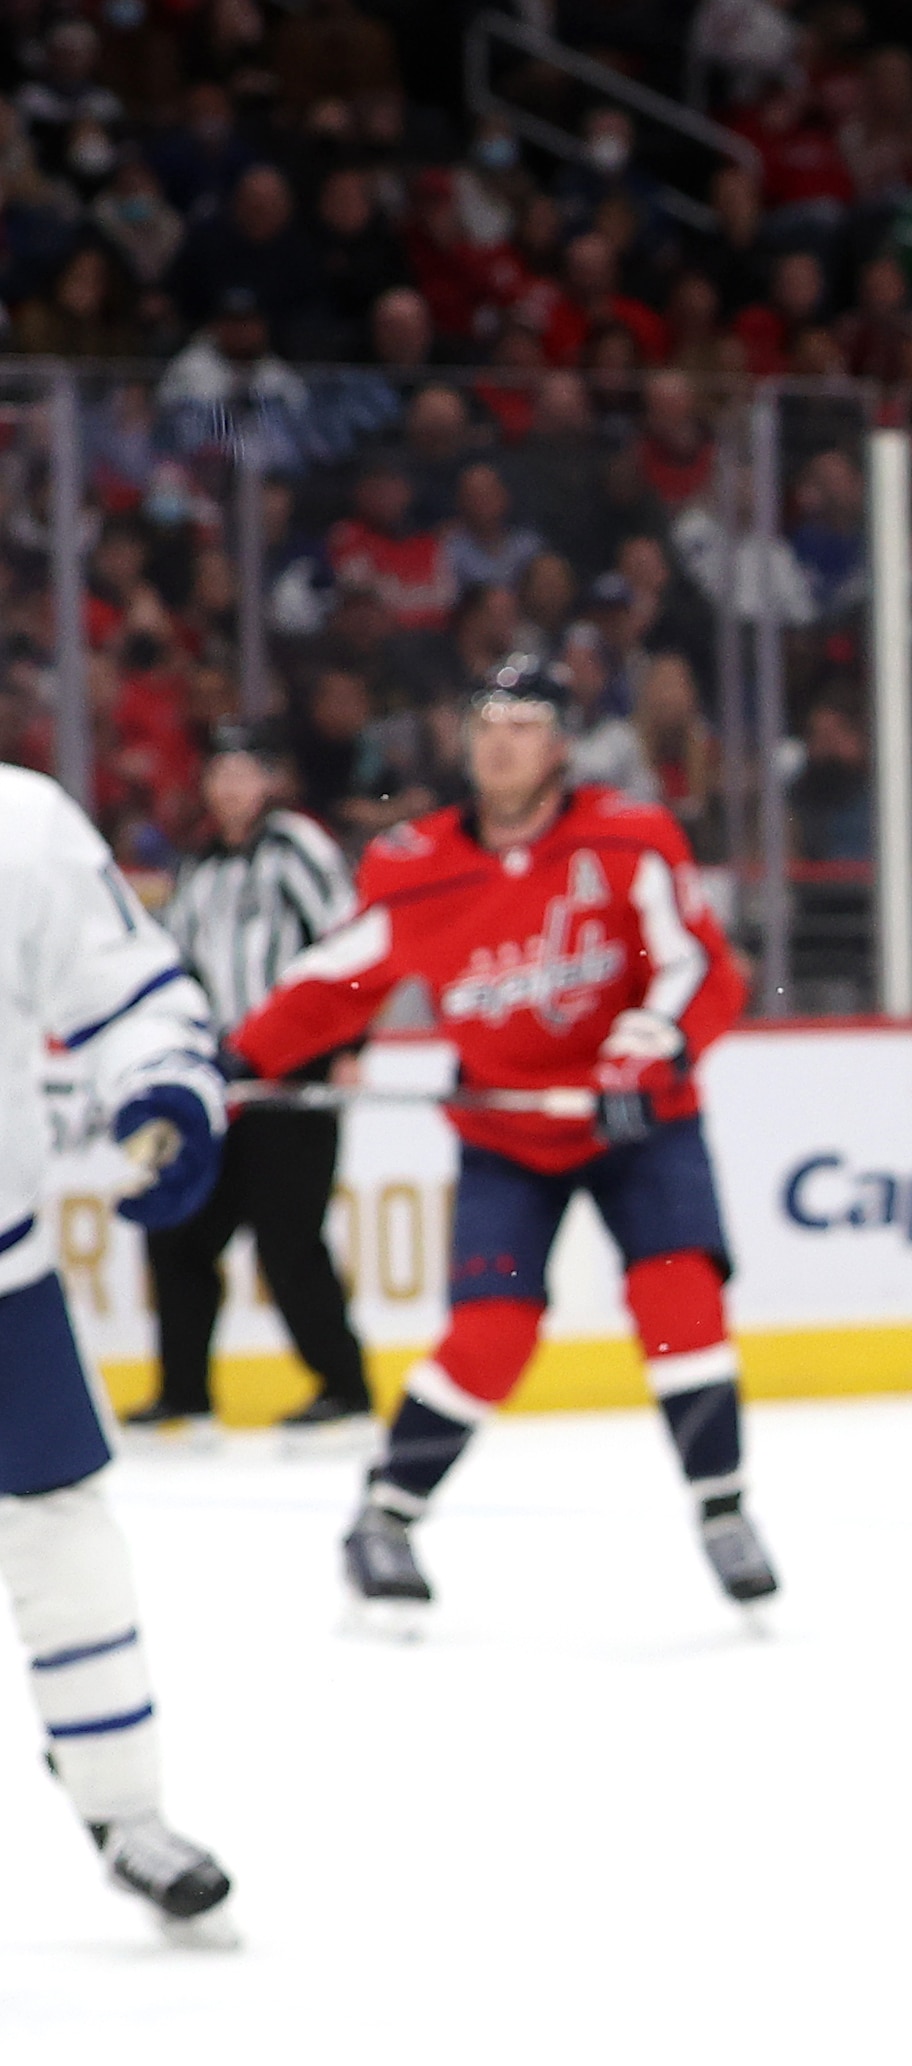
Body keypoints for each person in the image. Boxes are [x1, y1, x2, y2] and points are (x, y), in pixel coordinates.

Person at [234, 651, 775, 1624]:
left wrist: (643, 1059)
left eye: (524, 725)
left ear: (561, 743)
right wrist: (243, 1060)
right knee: (492, 1334)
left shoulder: (628, 839)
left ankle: (723, 1508)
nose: (501, 743)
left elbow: (701, 969)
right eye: (486, 724)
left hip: (639, 1123)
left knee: (677, 1295)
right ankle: (384, 1517)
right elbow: (337, 980)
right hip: (507, 1128)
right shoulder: (416, 865)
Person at [0, 759, 238, 1937]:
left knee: (63, 1531)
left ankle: (124, 1809)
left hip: (0, 1277)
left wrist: (162, 1089)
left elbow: (128, 991)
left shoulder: (17, 825)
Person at [127, 719, 370, 1438]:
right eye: (220, 772)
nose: (231, 787)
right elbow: (177, 969)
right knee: (180, 1228)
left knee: (288, 1234)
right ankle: (184, 1392)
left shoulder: (295, 847)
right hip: (219, 1080)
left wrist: (349, 1043)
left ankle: (346, 1387)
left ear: (271, 781)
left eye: (245, 772)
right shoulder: (198, 867)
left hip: (293, 1077)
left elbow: (348, 944)